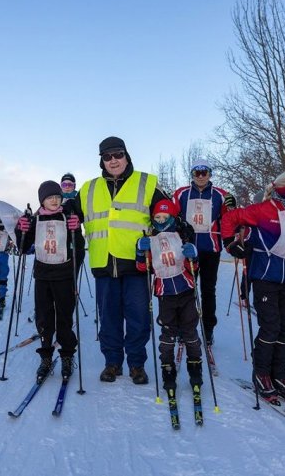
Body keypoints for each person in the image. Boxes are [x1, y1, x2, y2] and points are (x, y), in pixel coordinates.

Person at [75, 136, 170, 384]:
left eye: (117, 154)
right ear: (101, 161)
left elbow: (167, 214)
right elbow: (68, 215)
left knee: (138, 317)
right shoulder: (88, 188)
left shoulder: (146, 183)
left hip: (136, 264)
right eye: (107, 157)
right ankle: (112, 363)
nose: (113, 160)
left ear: (126, 155)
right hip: (103, 263)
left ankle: (137, 364)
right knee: (108, 318)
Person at [222, 170, 285, 403]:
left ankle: (280, 375)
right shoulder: (263, 210)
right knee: (270, 326)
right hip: (265, 277)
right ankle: (262, 374)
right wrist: (230, 244)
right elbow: (230, 218)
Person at [136, 199, 202, 392]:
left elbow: (194, 266)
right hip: (165, 294)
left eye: (165, 217)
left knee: (190, 332)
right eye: (157, 217)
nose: (161, 220)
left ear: (173, 218)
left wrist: (193, 255)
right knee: (167, 334)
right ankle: (168, 370)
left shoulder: (182, 236)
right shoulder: (151, 238)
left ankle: (195, 370)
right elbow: (143, 268)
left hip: (186, 290)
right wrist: (141, 251)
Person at [15, 180, 79, 382]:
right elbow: (23, 248)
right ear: (42, 200)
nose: (54, 200)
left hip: (64, 275)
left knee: (64, 318)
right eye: (50, 197)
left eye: (57, 197)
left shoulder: (67, 216)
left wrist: (75, 231)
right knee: (43, 318)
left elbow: (78, 248)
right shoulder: (35, 220)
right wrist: (21, 230)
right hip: (43, 275)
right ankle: (46, 356)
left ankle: (67, 356)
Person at [173, 159, 236, 345]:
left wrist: (233, 207)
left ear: (210, 174)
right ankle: (184, 328)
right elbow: (171, 215)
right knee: (186, 289)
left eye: (204, 172)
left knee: (208, 290)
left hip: (210, 249)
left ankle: (208, 329)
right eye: (197, 172)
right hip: (186, 249)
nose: (201, 176)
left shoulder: (221, 194)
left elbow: (230, 219)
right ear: (192, 174)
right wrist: (179, 227)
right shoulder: (181, 193)